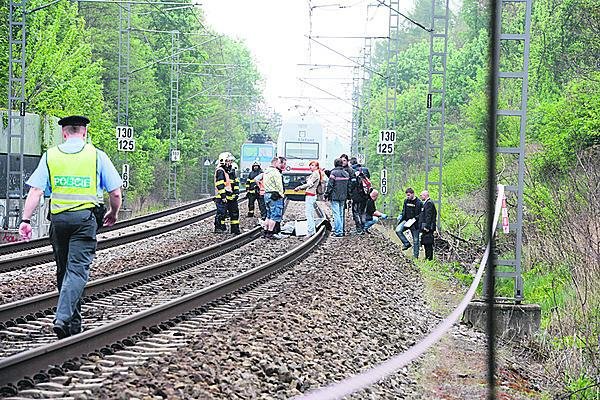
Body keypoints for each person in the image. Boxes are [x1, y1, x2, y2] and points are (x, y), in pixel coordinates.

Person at [18, 115, 122, 339]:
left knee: (64, 271)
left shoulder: (51, 155)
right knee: (77, 272)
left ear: (64, 133)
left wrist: (25, 221)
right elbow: (115, 192)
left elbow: (36, 191)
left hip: (58, 221)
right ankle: (62, 317)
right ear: (84, 133)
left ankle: (72, 325)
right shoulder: (96, 155)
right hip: (84, 221)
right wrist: (113, 213)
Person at [294, 160, 324, 236]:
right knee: (310, 213)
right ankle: (311, 230)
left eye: (313, 165)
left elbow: (309, 184)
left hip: (311, 195)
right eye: (310, 165)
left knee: (309, 214)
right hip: (311, 194)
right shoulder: (316, 173)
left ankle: (311, 231)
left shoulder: (315, 174)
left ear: (316, 166)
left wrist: (299, 187)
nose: (311, 166)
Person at [214, 152, 240, 234]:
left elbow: (235, 183)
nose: (230, 163)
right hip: (222, 197)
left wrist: (236, 193)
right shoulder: (220, 171)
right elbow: (220, 185)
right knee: (221, 213)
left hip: (231, 196)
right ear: (223, 161)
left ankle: (235, 229)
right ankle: (219, 228)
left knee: (234, 213)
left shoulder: (230, 171)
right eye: (228, 161)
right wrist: (223, 196)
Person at [325, 158, 349, 238]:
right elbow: (349, 186)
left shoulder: (333, 173)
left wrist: (326, 194)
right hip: (343, 197)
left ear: (335, 164)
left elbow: (330, 185)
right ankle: (341, 230)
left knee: (336, 214)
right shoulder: (346, 173)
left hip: (335, 196)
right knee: (341, 214)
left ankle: (338, 231)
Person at [263, 156, 286, 239]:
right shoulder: (275, 172)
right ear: (275, 162)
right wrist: (282, 194)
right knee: (275, 215)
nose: (280, 165)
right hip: (275, 195)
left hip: (267, 194)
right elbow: (279, 185)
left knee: (268, 215)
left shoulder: (266, 171)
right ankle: (270, 233)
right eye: (279, 163)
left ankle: (265, 232)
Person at [396, 187, 423, 258]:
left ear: (413, 194)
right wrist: (401, 215)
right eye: (407, 195)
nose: (407, 197)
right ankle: (406, 243)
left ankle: (415, 256)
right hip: (406, 221)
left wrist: (415, 219)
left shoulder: (419, 203)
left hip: (415, 223)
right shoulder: (406, 201)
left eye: (408, 195)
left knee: (416, 240)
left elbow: (421, 214)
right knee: (398, 230)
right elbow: (403, 210)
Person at [348, 158, 371, 235]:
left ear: (351, 163)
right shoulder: (365, 169)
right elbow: (368, 180)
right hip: (365, 194)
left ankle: (359, 228)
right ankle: (364, 227)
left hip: (356, 195)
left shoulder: (351, 171)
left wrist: (349, 194)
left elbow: (352, 184)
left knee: (356, 212)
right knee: (363, 211)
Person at [419, 190, 437, 260]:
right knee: (426, 243)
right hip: (427, 226)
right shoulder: (426, 203)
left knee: (428, 243)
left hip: (428, 228)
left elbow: (428, 216)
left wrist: (427, 226)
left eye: (422, 195)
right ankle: (427, 257)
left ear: (425, 195)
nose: (421, 197)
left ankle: (429, 258)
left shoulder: (429, 203)